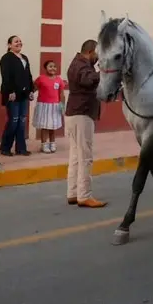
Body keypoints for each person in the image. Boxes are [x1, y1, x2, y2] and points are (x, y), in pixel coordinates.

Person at [65, 40, 107, 208]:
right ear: (91, 51)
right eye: (97, 54)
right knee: (85, 157)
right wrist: (105, 72)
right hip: (81, 114)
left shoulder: (77, 63)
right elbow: (88, 80)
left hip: (75, 113)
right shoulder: (81, 66)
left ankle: (73, 193)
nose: (97, 58)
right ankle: (84, 195)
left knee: (76, 156)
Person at [0, 35, 34, 157]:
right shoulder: (6, 58)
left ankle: (21, 148)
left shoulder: (24, 58)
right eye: (15, 41)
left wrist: (31, 90)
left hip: (24, 95)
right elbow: (6, 76)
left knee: (22, 121)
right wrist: (10, 91)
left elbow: (28, 75)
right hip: (13, 95)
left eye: (20, 41)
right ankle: (5, 147)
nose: (19, 43)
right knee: (13, 121)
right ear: (9, 45)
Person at [32, 59, 67, 153]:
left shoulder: (59, 79)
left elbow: (61, 94)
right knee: (45, 126)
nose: (53, 68)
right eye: (50, 66)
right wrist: (29, 93)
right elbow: (33, 89)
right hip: (43, 106)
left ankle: (52, 143)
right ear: (45, 68)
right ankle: (44, 144)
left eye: (54, 66)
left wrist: (62, 106)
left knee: (52, 126)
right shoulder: (41, 78)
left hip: (55, 106)